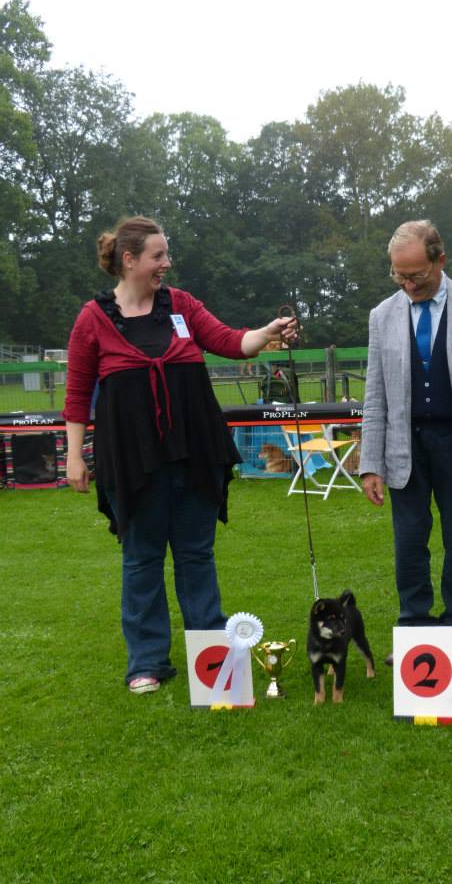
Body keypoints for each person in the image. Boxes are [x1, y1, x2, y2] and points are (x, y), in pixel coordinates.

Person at [63, 216, 297, 694]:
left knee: (196, 554)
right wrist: (74, 456)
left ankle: (211, 657)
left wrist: (268, 331)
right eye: (158, 256)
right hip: (132, 461)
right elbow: (76, 393)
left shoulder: (183, 306)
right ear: (130, 260)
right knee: (142, 559)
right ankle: (146, 662)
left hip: (194, 452)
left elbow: (232, 342)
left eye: (166, 255)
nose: (166, 264)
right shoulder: (92, 318)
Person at [359, 220, 452, 669]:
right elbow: (374, 394)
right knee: (409, 541)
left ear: (440, 260)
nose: (407, 285)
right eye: (398, 276)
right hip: (404, 446)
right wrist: (371, 462)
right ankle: (413, 630)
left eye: (416, 276)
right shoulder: (381, 316)